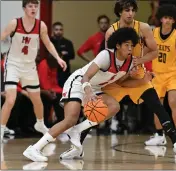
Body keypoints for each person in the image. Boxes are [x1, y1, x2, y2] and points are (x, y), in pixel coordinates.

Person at [60, 0, 176, 162]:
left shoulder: (143, 28)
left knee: (157, 105)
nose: (130, 13)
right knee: (98, 110)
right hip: (119, 79)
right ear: (120, 12)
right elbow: (109, 58)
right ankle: (76, 147)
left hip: (138, 77)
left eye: (133, 10)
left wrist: (139, 61)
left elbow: (155, 52)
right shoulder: (111, 32)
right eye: (127, 10)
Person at [23, 27, 144, 162]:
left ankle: (78, 129)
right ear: (117, 45)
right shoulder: (106, 55)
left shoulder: (129, 63)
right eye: (127, 45)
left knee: (114, 106)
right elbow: (86, 76)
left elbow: (121, 82)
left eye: (132, 45)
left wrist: (142, 79)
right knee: (70, 120)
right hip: (78, 82)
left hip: (95, 86)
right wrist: (87, 92)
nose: (130, 48)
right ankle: (34, 149)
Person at [0, 0, 67, 141]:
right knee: (10, 99)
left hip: (29, 66)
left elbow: (48, 43)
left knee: (37, 99)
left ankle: (40, 124)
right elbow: (2, 36)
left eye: (35, 6)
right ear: (24, 8)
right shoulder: (15, 23)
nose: (33, 8)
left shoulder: (40, 25)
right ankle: (1, 129)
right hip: (13, 65)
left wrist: (58, 58)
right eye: (30, 6)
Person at [144, 4, 176, 146]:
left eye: (170, 18)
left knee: (172, 102)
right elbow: (146, 51)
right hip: (156, 75)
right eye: (165, 18)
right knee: (157, 105)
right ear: (161, 19)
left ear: (173, 20)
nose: (167, 21)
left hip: (172, 74)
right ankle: (159, 135)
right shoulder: (153, 33)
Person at [50, 22, 75, 87]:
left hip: (64, 71)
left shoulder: (67, 42)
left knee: (64, 89)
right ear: (53, 30)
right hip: (51, 70)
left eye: (60, 30)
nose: (59, 31)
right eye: (56, 29)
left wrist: (63, 54)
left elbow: (72, 55)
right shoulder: (49, 42)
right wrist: (62, 53)